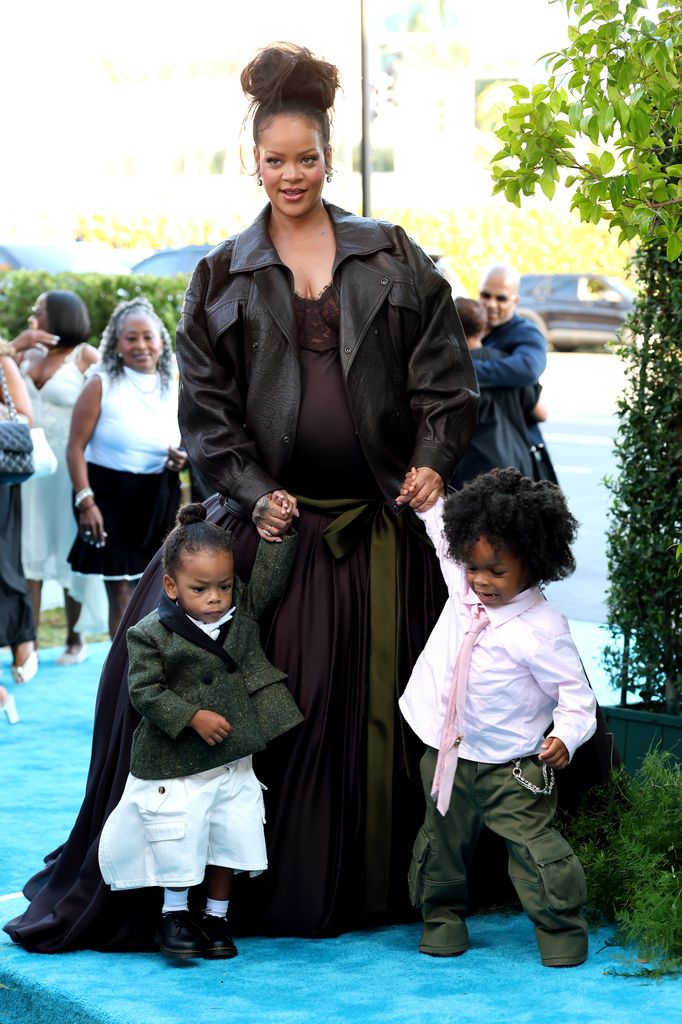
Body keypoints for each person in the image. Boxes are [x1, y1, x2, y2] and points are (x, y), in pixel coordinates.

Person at [5, 41, 479, 953]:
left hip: (383, 532)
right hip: (268, 527)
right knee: (164, 679)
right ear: (251, 162)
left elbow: (446, 385)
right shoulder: (219, 274)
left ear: (330, 159)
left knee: (410, 711)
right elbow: (210, 416)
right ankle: (209, 898)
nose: (292, 173)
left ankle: (396, 885)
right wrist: (256, 494)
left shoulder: (395, 256)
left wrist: (430, 454)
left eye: (308, 158)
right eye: (276, 159)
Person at [398, 467, 596, 967]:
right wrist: (429, 502)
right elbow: (444, 536)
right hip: (448, 755)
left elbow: (577, 699)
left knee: (535, 854)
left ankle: (562, 934)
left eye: (496, 571)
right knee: (440, 845)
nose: (480, 580)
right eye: (473, 566)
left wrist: (566, 738)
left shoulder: (543, 629)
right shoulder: (464, 588)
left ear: (533, 565)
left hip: (513, 768)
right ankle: (441, 921)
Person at [98, 502, 303, 960]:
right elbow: (145, 691)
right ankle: (174, 915)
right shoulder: (149, 633)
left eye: (224, 586)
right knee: (180, 832)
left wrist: (279, 536)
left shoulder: (241, 613)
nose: (215, 597)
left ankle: (216, 916)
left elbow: (269, 581)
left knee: (229, 832)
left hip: (232, 757)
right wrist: (191, 716)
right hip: (178, 760)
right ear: (171, 586)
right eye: (200, 588)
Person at [66, 297, 187, 638]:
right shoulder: (100, 382)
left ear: (162, 342)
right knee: (120, 591)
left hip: (158, 494)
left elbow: (192, 437)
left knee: (156, 586)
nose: (141, 345)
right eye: (130, 338)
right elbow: (74, 447)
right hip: (107, 496)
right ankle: (123, 674)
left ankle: (153, 667)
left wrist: (183, 456)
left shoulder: (177, 380)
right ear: (116, 345)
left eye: (148, 337)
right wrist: (86, 501)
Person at [11, 291, 104, 664]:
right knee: (28, 555)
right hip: (30, 471)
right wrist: (18, 345)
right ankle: (27, 643)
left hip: (69, 472)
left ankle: (74, 638)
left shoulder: (86, 356)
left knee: (69, 552)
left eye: (41, 310)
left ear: (62, 315)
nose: (35, 314)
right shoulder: (27, 356)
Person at [476, 264, 558, 483]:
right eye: (485, 295)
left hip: (514, 447)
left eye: (500, 298)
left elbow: (528, 368)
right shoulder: (466, 327)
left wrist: (468, 371)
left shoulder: (525, 332)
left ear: (515, 301)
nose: (491, 304)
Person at [450, 297, 538, 488]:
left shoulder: (451, 372)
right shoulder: (509, 364)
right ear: (483, 328)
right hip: (518, 465)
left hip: (474, 471)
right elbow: (540, 412)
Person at [0, 350, 38, 684]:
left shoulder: (2, 361)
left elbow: (24, 416)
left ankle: (23, 640)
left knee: (4, 564)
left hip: (0, 481)